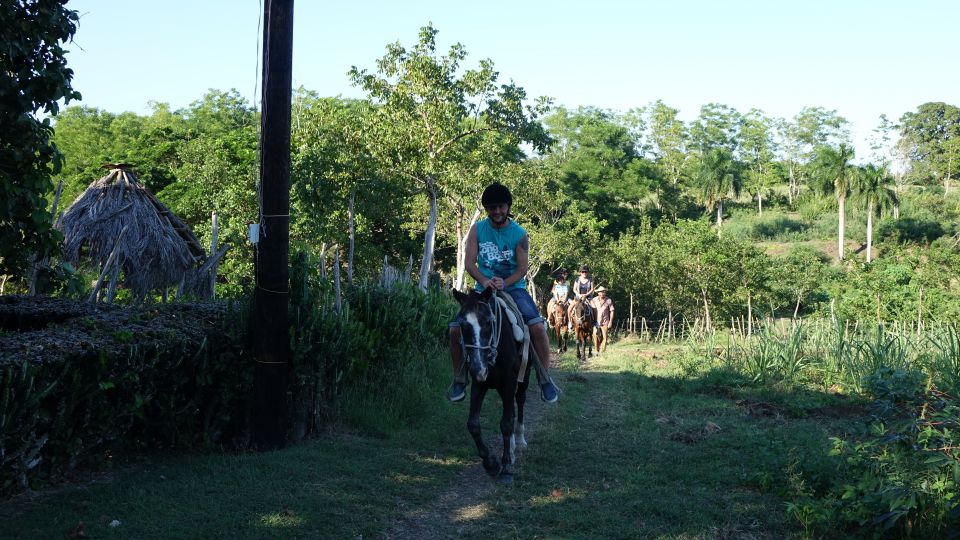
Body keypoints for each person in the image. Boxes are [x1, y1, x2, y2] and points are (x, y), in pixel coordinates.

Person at [448, 182, 560, 404]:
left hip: (513, 288)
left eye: (500, 206)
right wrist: (485, 281)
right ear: (487, 209)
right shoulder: (477, 229)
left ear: (508, 206)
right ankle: (459, 378)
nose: (496, 211)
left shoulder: (519, 234)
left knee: (537, 326)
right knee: (454, 330)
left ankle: (545, 377)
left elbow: (522, 269)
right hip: (482, 288)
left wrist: (504, 282)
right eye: (491, 208)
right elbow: (469, 263)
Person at [591, 286, 614, 353]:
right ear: (598, 293)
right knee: (595, 335)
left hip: (605, 321)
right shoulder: (594, 300)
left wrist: (610, 322)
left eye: (603, 292)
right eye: (600, 292)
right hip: (596, 321)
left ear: (605, 292)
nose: (602, 293)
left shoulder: (608, 300)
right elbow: (591, 310)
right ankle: (596, 350)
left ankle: (603, 351)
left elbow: (612, 311)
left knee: (605, 337)